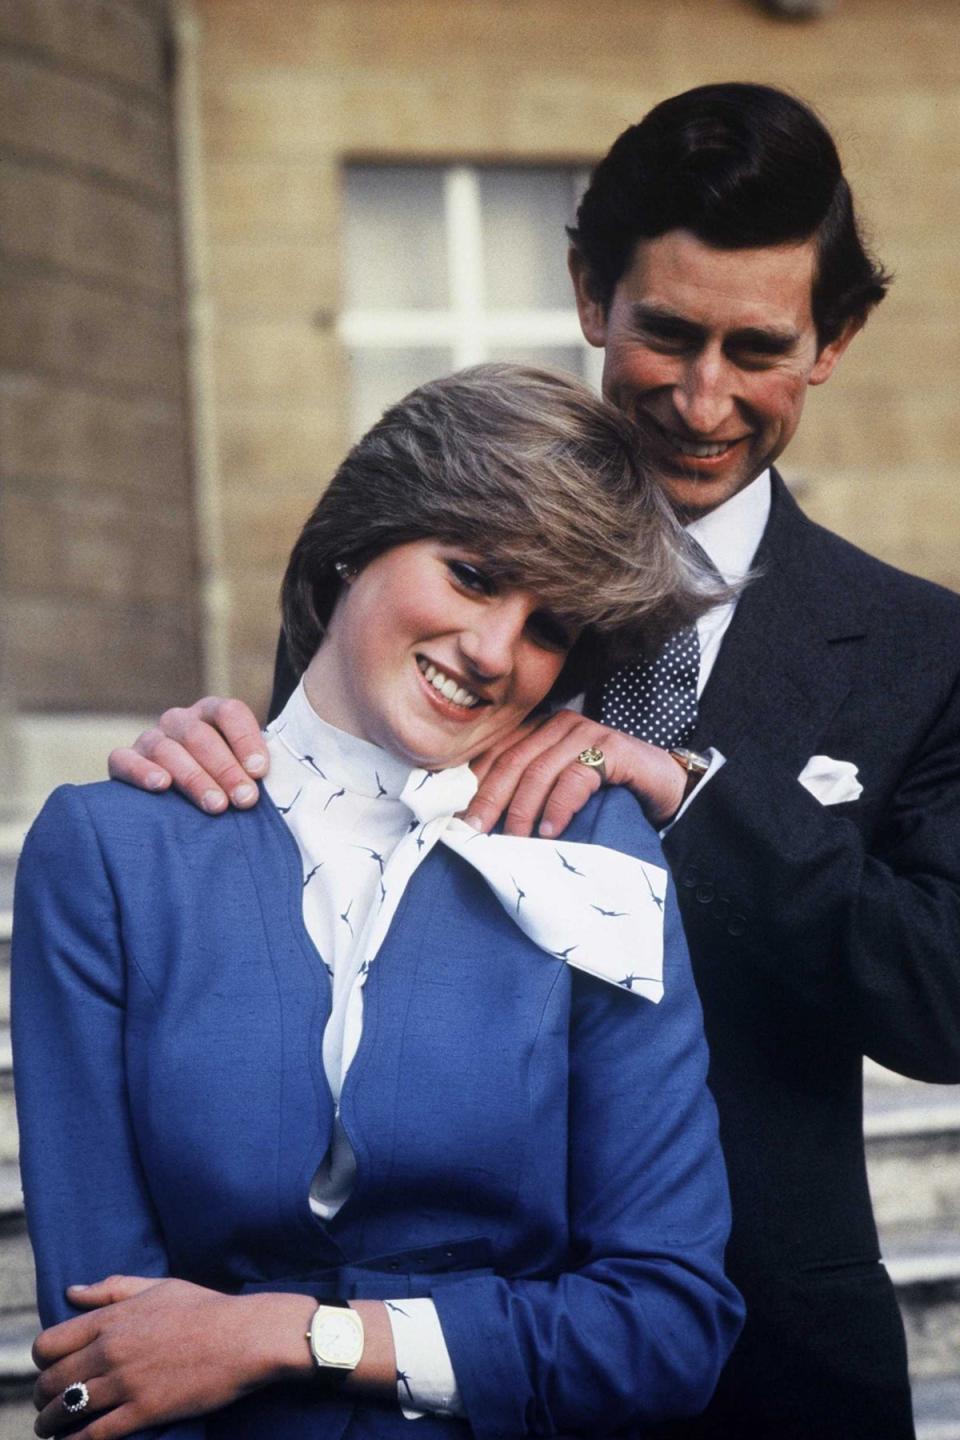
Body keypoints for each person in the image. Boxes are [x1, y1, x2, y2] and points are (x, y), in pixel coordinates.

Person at [111, 84, 960, 1438]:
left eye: (758, 348)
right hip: (430, 1363)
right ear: (587, 293)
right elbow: (306, 874)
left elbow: (944, 1000)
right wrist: (207, 769)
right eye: (667, 333)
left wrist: (688, 794)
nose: (702, 397)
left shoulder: (926, 649)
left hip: (777, 1368)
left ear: (834, 343)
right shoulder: (425, 574)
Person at [14, 365, 743, 1440]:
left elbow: (666, 1328)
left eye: (549, 628)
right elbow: (102, 1351)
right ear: (359, 539)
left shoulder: (595, 852)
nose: (496, 653)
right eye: (475, 575)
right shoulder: (113, 851)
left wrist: (295, 1335)